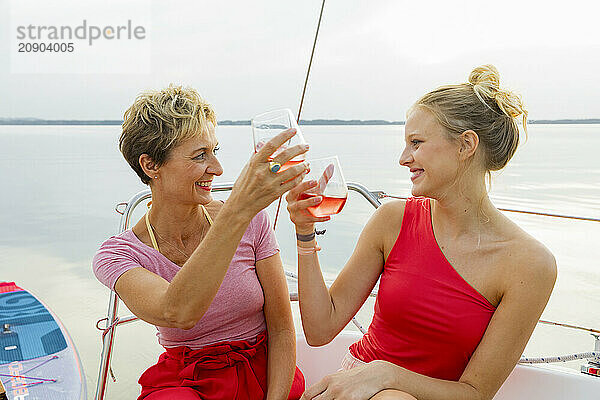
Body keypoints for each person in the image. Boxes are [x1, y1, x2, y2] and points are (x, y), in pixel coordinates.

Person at [286, 65, 557, 400]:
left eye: (416, 142)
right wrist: (304, 232)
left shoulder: (530, 265)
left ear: (465, 144)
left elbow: (474, 393)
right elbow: (319, 327)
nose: (403, 158)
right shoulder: (392, 220)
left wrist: (386, 375)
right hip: (355, 388)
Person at [93, 85, 308, 400]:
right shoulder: (120, 255)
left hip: (264, 372)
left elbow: (282, 330)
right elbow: (178, 312)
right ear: (151, 166)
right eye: (200, 156)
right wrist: (238, 209)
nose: (218, 169)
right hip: (189, 382)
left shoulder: (252, 222)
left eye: (215, 151)